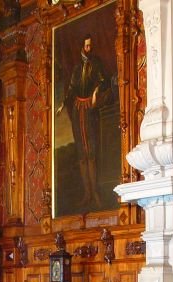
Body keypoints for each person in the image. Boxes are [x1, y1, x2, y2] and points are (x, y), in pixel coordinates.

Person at [58, 34, 111, 208]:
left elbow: (104, 81)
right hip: (78, 110)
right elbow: (72, 88)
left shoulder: (96, 64)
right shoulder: (76, 68)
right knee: (82, 153)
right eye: (87, 46)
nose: (89, 49)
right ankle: (87, 194)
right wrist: (62, 104)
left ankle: (95, 192)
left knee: (92, 150)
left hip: (89, 108)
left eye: (90, 46)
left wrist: (96, 92)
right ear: (82, 46)